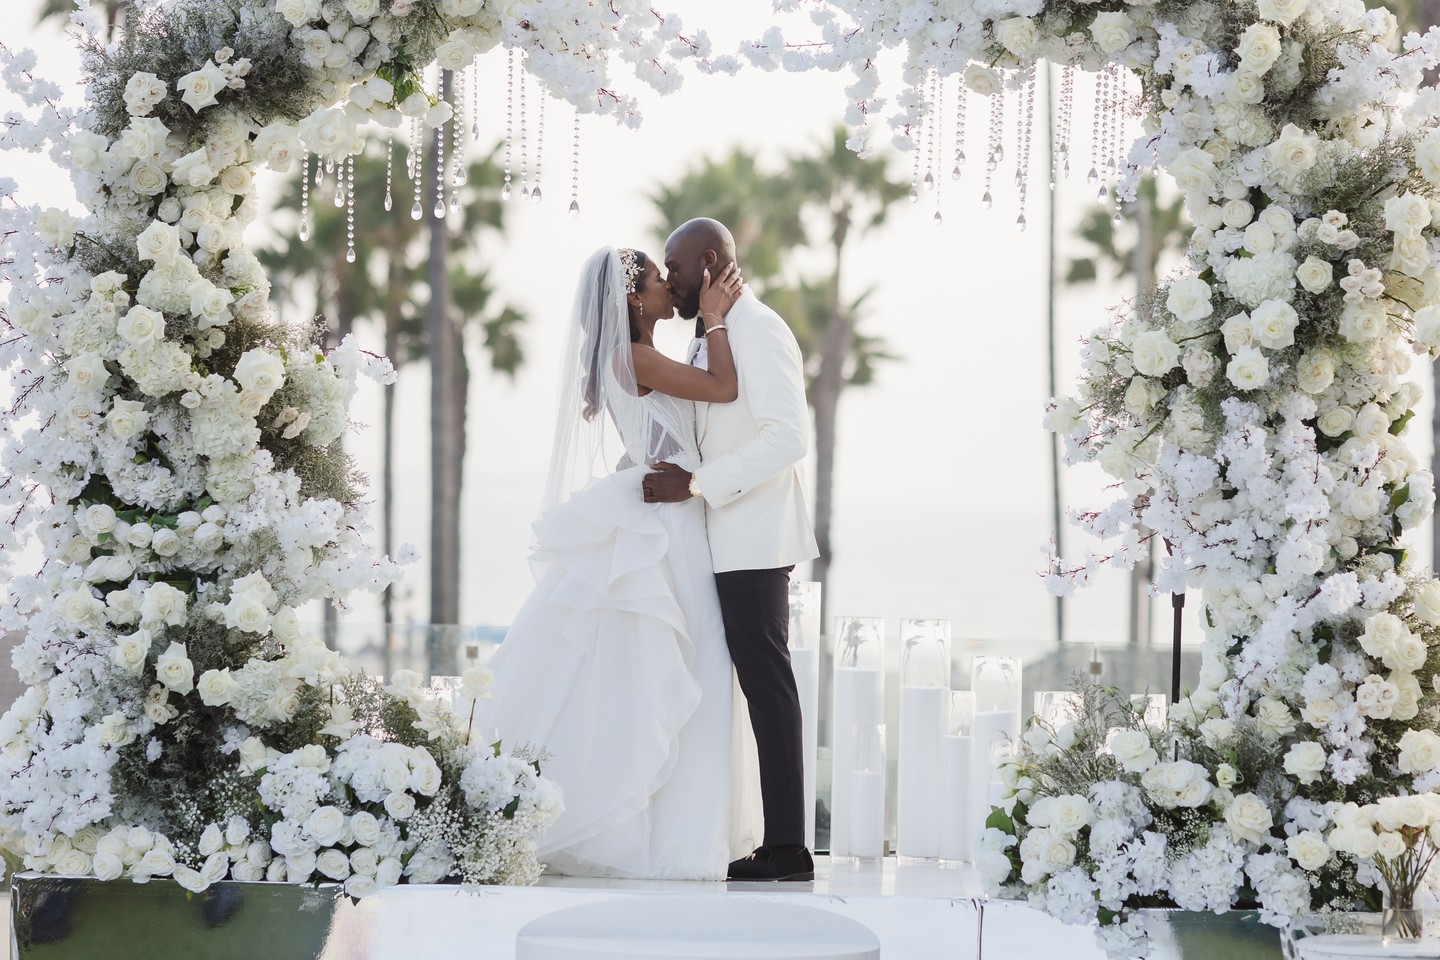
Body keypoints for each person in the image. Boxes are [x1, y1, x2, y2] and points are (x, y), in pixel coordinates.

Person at [479, 246, 754, 880]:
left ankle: (683, 832)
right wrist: (714, 318)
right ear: (634, 298)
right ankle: (677, 841)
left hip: (669, 510)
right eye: (659, 280)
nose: (668, 286)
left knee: (680, 669)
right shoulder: (633, 355)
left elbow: (658, 435)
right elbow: (723, 388)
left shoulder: (636, 356)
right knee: (694, 666)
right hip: (670, 530)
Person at [644, 218, 820, 882]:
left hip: (753, 536)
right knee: (747, 686)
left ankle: (788, 850)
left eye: (675, 266)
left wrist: (696, 485)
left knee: (768, 687)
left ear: (708, 261)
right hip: (717, 539)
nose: (670, 279)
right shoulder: (710, 337)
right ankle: (765, 840)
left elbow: (786, 438)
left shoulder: (762, 329)